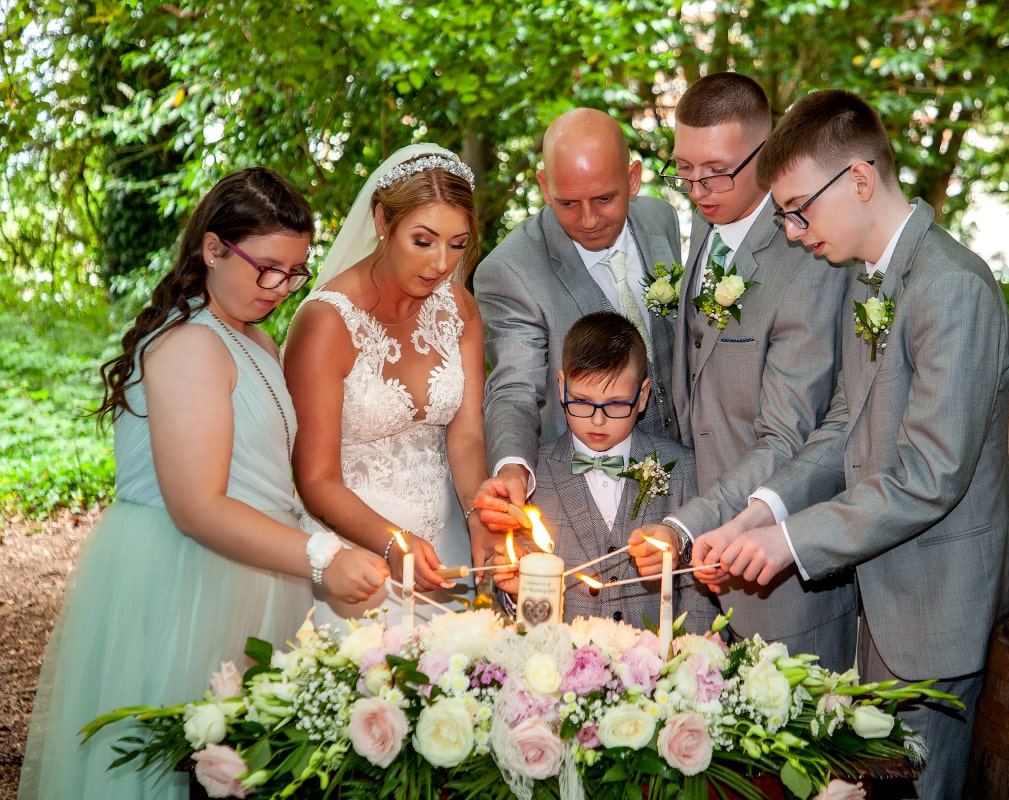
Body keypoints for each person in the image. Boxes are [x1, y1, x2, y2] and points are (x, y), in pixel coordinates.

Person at [18, 168, 389, 800]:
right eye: (266, 267)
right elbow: (195, 506)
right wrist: (322, 557)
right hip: (181, 575)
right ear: (213, 249)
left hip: (249, 570)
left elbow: (271, 482)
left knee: (235, 761)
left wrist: (322, 561)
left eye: (294, 272)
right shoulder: (189, 343)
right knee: (172, 758)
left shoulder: (257, 338)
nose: (280, 287)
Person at [695, 89, 1009, 798]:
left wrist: (792, 544)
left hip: (939, 611)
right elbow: (841, 427)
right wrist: (765, 512)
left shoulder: (952, 289)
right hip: (882, 603)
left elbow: (929, 476)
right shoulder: (868, 279)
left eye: (798, 208)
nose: (789, 231)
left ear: (861, 180)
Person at [630, 73, 855, 665]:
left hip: (779, 576)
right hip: (697, 569)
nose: (700, 189)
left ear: (768, 149)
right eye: (684, 170)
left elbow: (789, 438)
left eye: (718, 170)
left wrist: (687, 525)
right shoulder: (704, 222)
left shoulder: (809, 258)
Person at [284, 145, 491, 629]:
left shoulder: (459, 309)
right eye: (424, 240)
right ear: (382, 221)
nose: (442, 262)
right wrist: (391, 540)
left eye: (458, 244)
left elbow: (466, 438)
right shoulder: (326, 322)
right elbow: (315, 479)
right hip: (357, 555)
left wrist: (480, 519)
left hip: (446, 550)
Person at [473, 108, 681, 522]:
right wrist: (512, 466)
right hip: (580, 498)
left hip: (681, 479)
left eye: (604, 198)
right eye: (568, 203)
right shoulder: (509, 270)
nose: (588, 220)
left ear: (634, 178)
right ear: (544, 187)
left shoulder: (661, 220)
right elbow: (514, 387)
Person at [475, 312, 718, 632]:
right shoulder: (531, 478)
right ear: (562, 388)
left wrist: (689, 663)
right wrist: (514, 592)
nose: (598, 420)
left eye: (616, 404)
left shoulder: (684, 468)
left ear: (642, 395)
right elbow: (511, 604)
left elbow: (698, 594)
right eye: (583, 402)